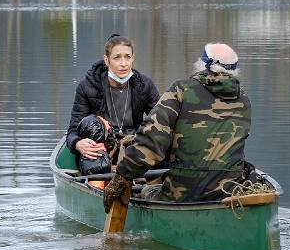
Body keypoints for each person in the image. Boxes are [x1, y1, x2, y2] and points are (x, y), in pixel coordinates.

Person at [103, 42, 251, 208]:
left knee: (146, 190)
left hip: (182, 195)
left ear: (202, 64)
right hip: (229, 192)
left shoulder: (181, 90)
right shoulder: (244, 101)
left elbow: (150, 143)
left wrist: (121, 176)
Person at [67, 34, 160, 174]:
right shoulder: (87, 86)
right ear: (107, 60)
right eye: (117, 58)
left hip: (134, 143)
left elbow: (161, 121)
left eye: (128, 57)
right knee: (91, 123)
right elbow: (73, 131)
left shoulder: (144, 85)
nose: (124, 63)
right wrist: (78, 144)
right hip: (101, 145)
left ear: (133, 58)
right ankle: (98, 183)